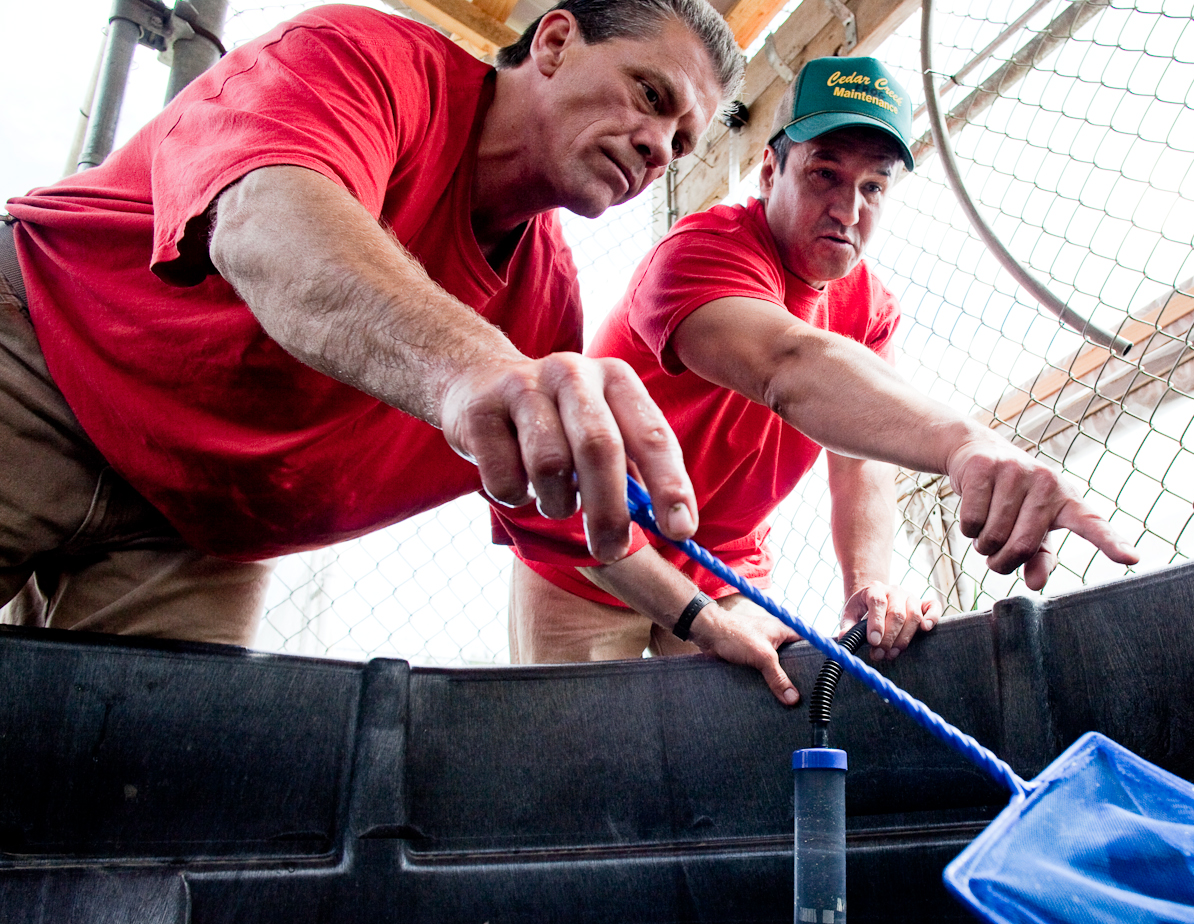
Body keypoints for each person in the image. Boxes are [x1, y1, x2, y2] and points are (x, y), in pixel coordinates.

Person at [0, 0, 741, 645]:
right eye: (650, 94)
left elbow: (566, 520)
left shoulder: (548, 308)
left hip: (201, 531)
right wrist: (471, 366)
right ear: (552, 43)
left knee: (146, 785)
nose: (657, 147)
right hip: (41, 372)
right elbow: (265, 219)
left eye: (681, 142)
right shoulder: (366, 59)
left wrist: (704, 623)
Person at [500, 55, 1138, 704]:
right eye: (824, 174)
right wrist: (965, 443)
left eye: (873, 187)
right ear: (772, 169)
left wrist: (869, 584)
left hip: (725, 569)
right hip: (594, 552)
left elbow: (860, 462)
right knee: (582, 764)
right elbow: (789, 364)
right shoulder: (699, 252)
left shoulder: (872, 308)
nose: (847, 207)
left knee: (751, 747)